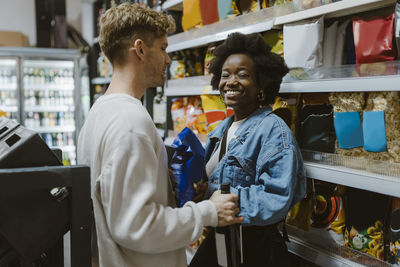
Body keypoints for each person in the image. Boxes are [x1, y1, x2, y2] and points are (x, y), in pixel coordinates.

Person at [77, 3, 243, 267]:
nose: (168, 59)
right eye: (163, 49)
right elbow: (136, 225)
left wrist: (166, 189)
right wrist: (208, 212)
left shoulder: (100, 112)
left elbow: (114, 199)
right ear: (140, 49)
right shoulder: (131, 123)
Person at [192, 32, 307, 266]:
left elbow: (276, 197)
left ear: (261, 83)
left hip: (253, 248)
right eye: (225, 75)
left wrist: (218, 199)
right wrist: (201, 191)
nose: (231, 81)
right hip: (222, 239)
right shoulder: (222, 130)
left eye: (242, 75)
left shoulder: (274, 131)